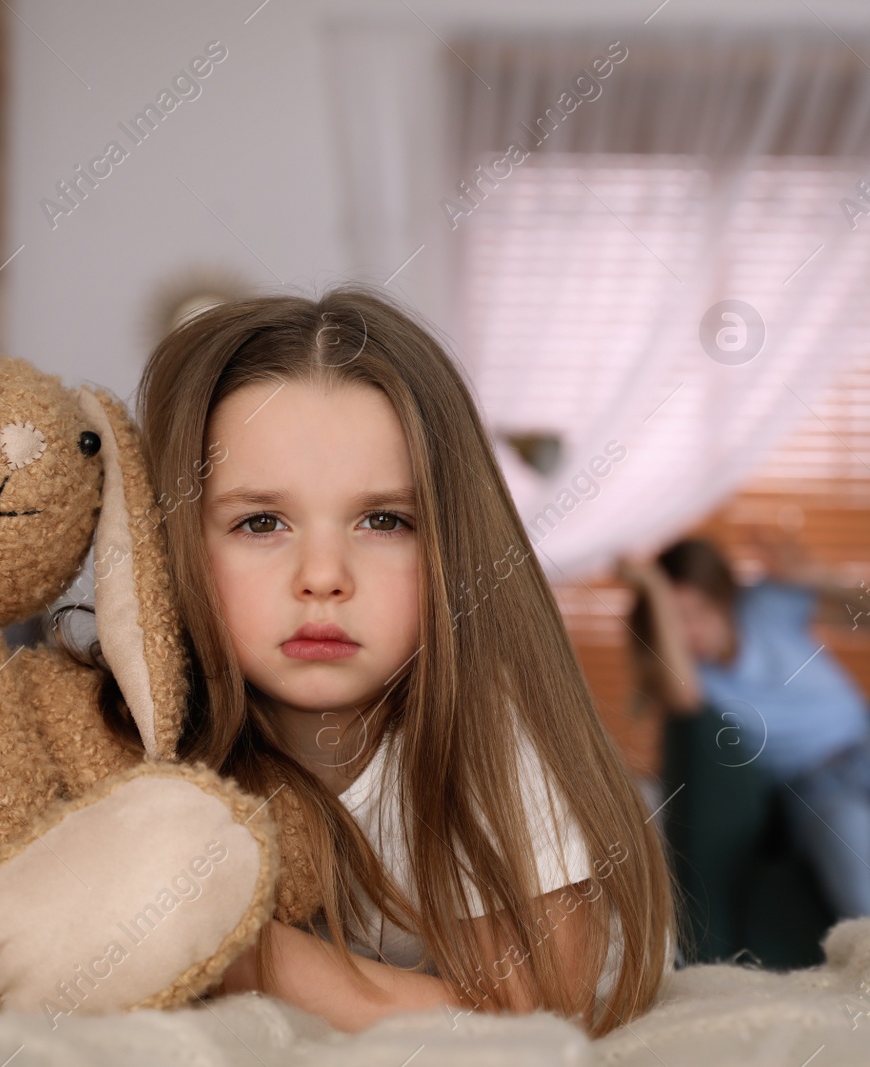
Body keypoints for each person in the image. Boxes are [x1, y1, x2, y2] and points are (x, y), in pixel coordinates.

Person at [129, 289, 675, 1036]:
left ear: (451, 545)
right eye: (261, 521)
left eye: (383, 520)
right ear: (177, 540)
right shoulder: (133, 728)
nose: (322, 575)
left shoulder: (494, 733)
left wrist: (223, 947)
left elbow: (534, 1015)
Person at [619, 536, 870, 948]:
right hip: (817, 787)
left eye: (696, 613)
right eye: (673, 621)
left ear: (722, 598)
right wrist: (651, 587)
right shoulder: (697, 682)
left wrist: (818, 578)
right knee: (853, 830)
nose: (690, 633)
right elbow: (682, 695)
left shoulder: (763, 607)